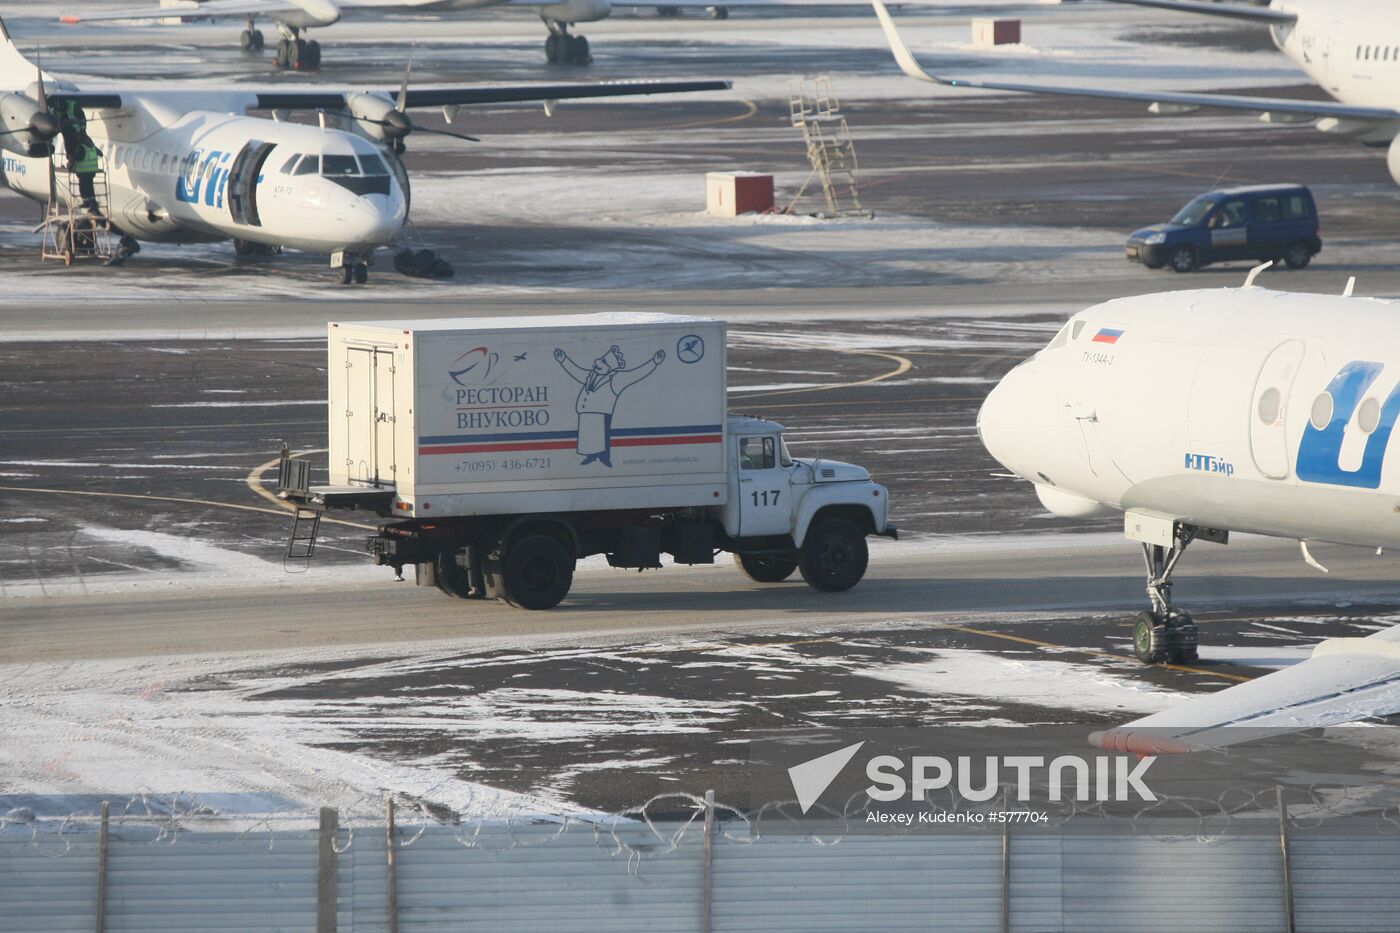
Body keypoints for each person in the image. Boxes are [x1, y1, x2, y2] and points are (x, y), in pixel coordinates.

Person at [554, 345, 665, 468]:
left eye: (603, 362)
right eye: (601, 360)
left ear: (609, 368)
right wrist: (563, 360)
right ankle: (591, 456)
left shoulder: (615, 380)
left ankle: (604, 458)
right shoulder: (591, 375)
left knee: (602, 437)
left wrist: (654, 362)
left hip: (601, 413)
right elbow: (576, 371)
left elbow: (635, 374)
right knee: (588, 437)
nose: (599, 363)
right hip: (586, 413)